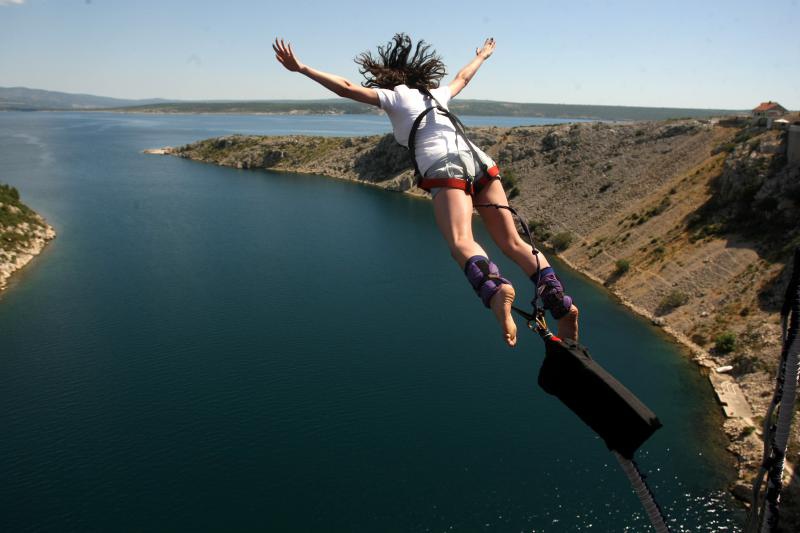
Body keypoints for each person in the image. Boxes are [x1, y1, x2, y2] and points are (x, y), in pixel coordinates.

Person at [273, 34, 579, 347]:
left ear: (389, 78)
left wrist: (303, 69)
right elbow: (463, 77)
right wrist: (482, 57)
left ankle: (496, 288)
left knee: (461, 241)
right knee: (513, 242)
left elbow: (347, 87)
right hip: (480, 161)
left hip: (444, 166)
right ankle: (562, 305)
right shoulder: (437, 93)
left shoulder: (394, 96)